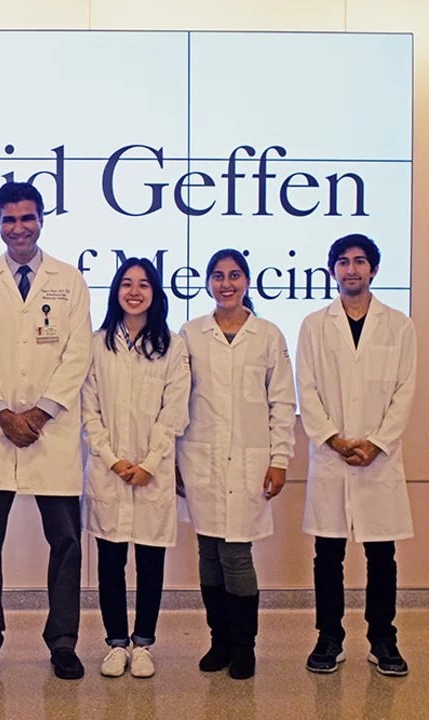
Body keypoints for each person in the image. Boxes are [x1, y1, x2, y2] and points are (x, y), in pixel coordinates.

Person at [0, 182, 92, 681]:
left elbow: (77, 354)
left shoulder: (69, 281)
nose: (19, 228)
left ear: (41, 220)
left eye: (28, 218)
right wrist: (2, 413)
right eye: (9, 219)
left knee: (66, 545)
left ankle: (62, 642)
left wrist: (38, 414)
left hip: (49, 433)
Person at [297, 234, 415, 677]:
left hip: (378, 459)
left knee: (380, 555)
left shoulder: (399, 325)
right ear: (333, 271)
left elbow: (404, 391)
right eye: (343, 262)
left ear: (374, 270)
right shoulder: (313, 324)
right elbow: (306, 389)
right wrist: (334, 439)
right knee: (327, 554)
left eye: (360, 262)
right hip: (333, 457)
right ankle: (329, 637)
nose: (352, 269)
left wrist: (375, 443)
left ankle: (383, 639)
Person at [176, 248, 296, 680]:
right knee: (207, 552)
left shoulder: (267, 334)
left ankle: (245, 645)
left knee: (236, 554)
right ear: (208, 282)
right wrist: (173, 458)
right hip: (199, 456)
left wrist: (280, 458)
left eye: (235, 275)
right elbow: (176, 399)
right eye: (218, 276)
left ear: (247, 281)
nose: (227, 283)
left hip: (249, 460)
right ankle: (219, 640)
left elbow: (282, 402)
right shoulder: (190, 333)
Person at [82, 258, 190, 679]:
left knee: (150, 563)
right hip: (109, 469)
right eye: (126, 284)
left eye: (143, 285)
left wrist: (148, 463)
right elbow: (88, 408)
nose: (134, 291)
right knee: (109, 563)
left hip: (153, 471)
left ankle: (143, 642)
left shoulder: (172, 345)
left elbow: (175, 410)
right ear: (115, 291)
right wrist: (111, 458)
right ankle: (115, 643)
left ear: (155, 293)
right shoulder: (97, 343)